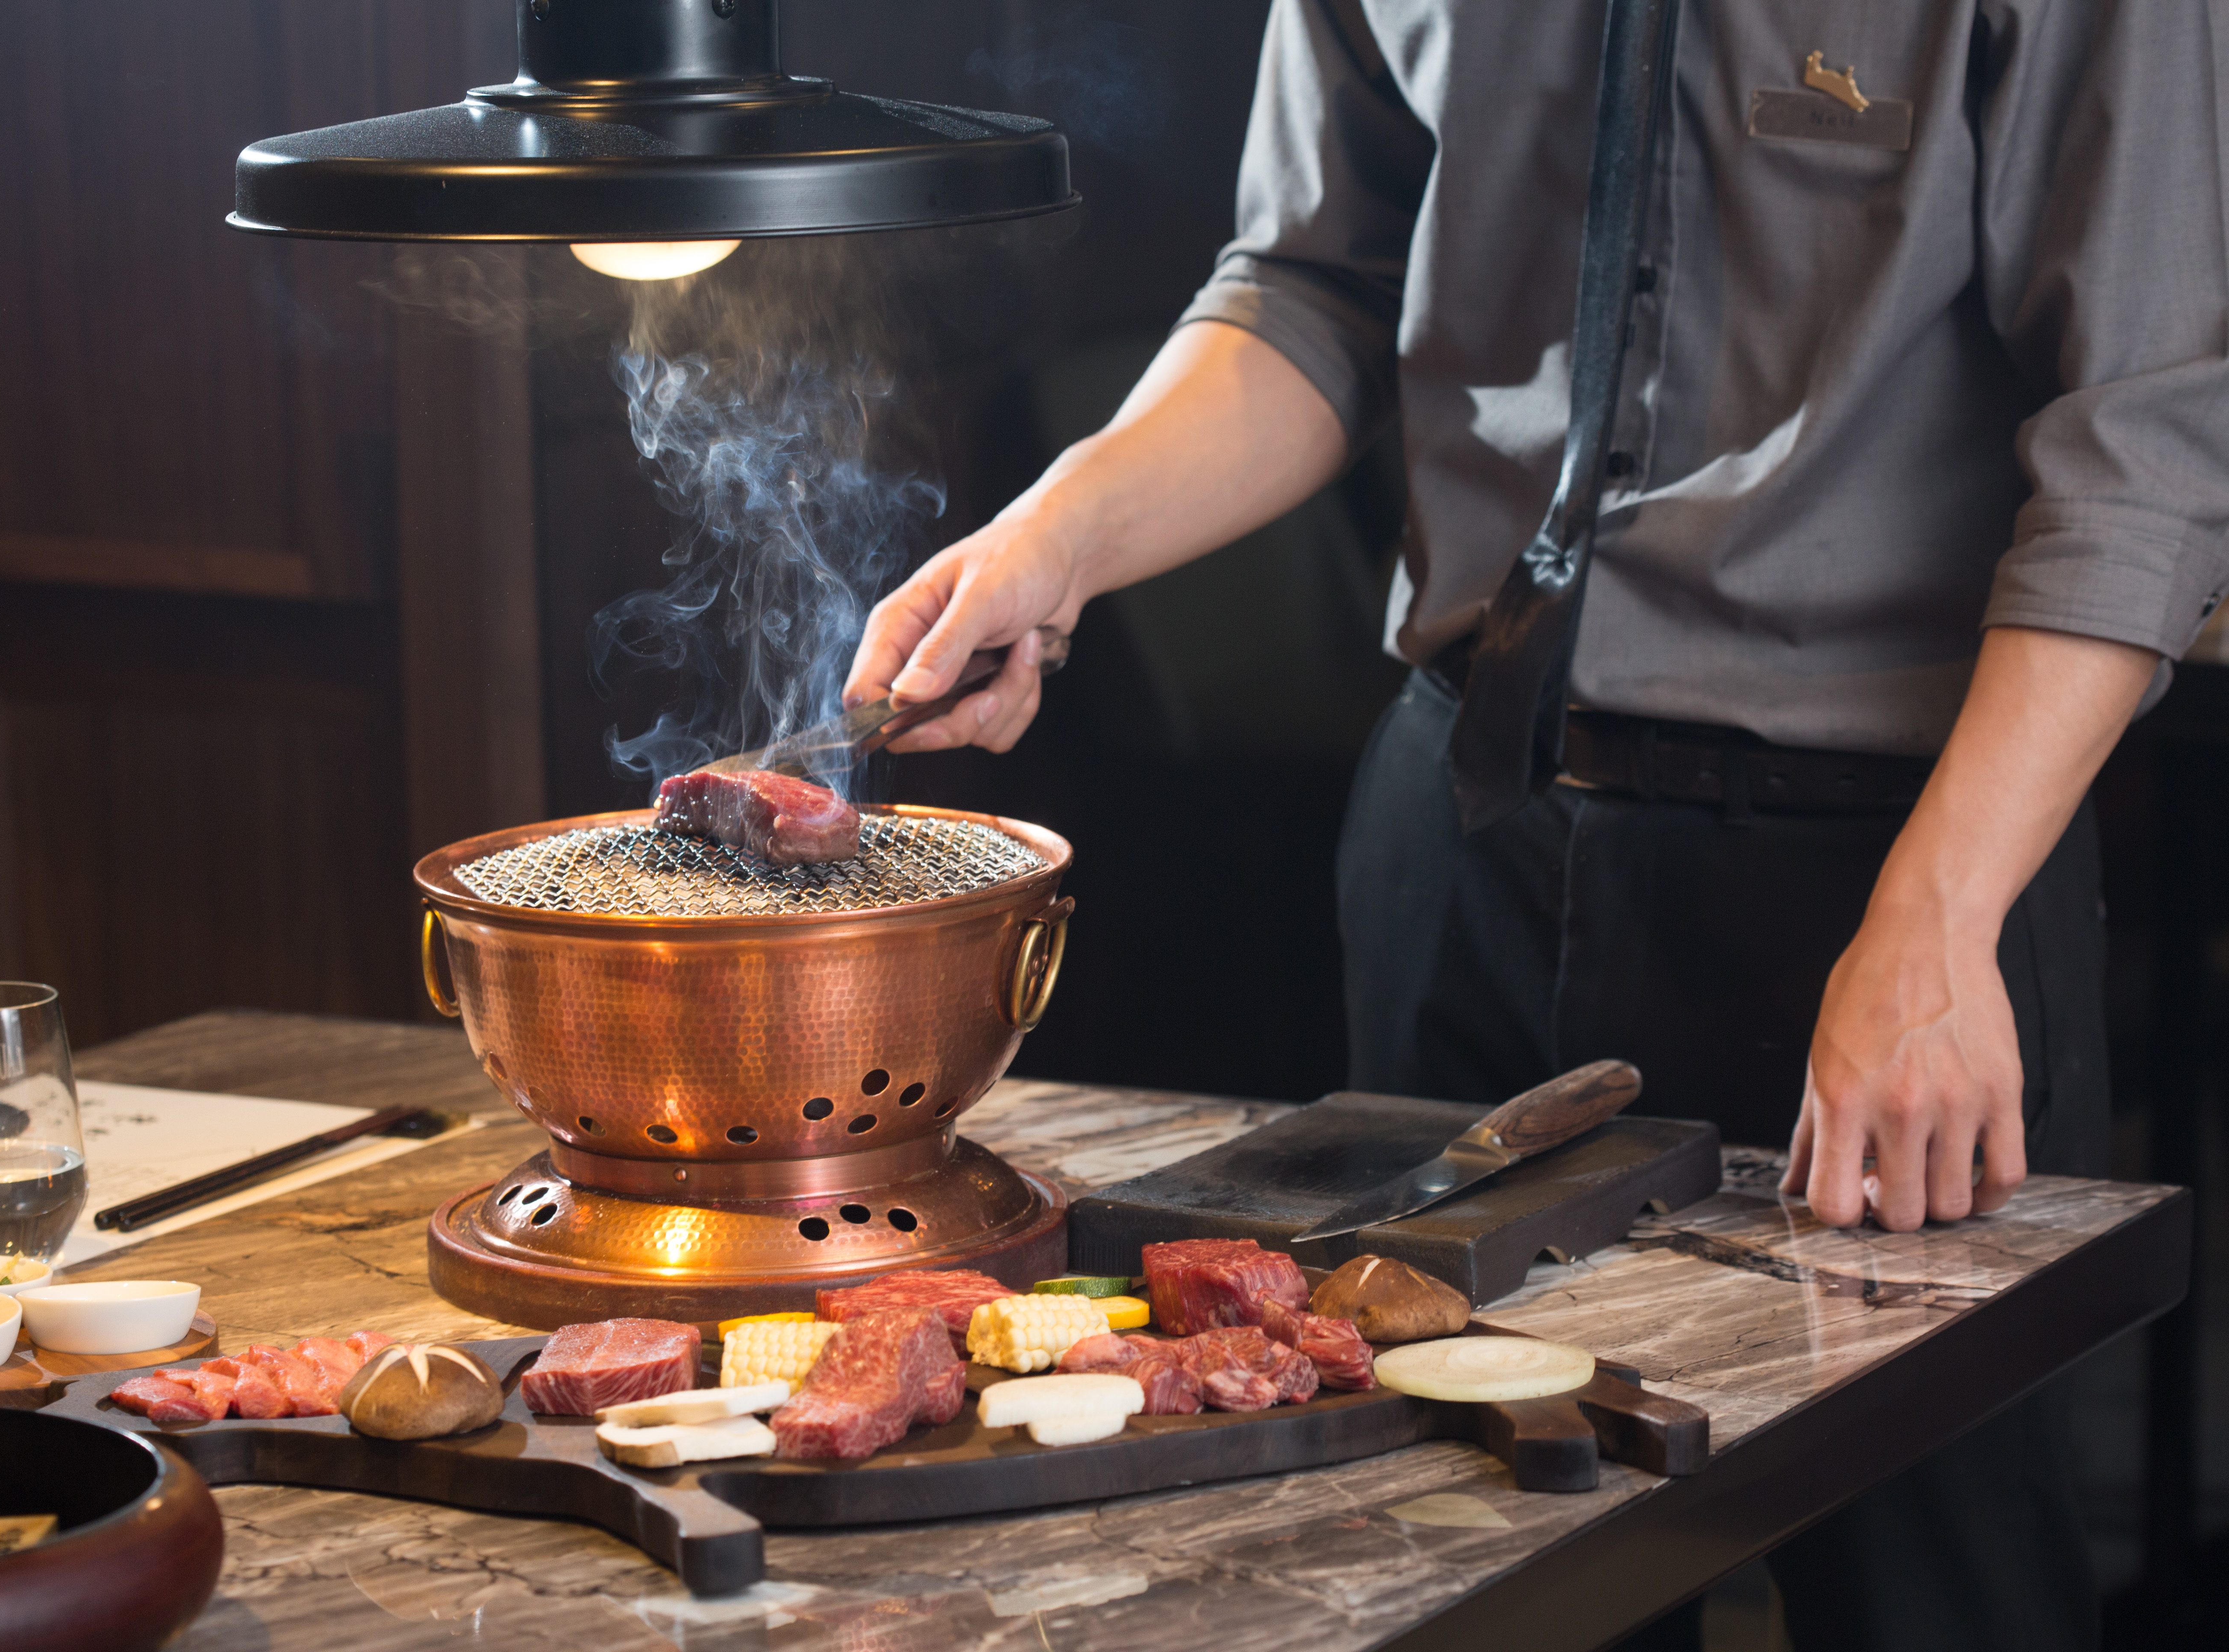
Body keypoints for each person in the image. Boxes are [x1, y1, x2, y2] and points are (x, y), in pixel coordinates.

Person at [845, 3, 2228, 1649]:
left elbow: (2144, 443)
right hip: (1466, 836)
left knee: (1935, 1589)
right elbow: (1316, 287)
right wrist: (1057, 539)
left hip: (1892, 884)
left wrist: (1939, 921)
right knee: (1474, 1552)